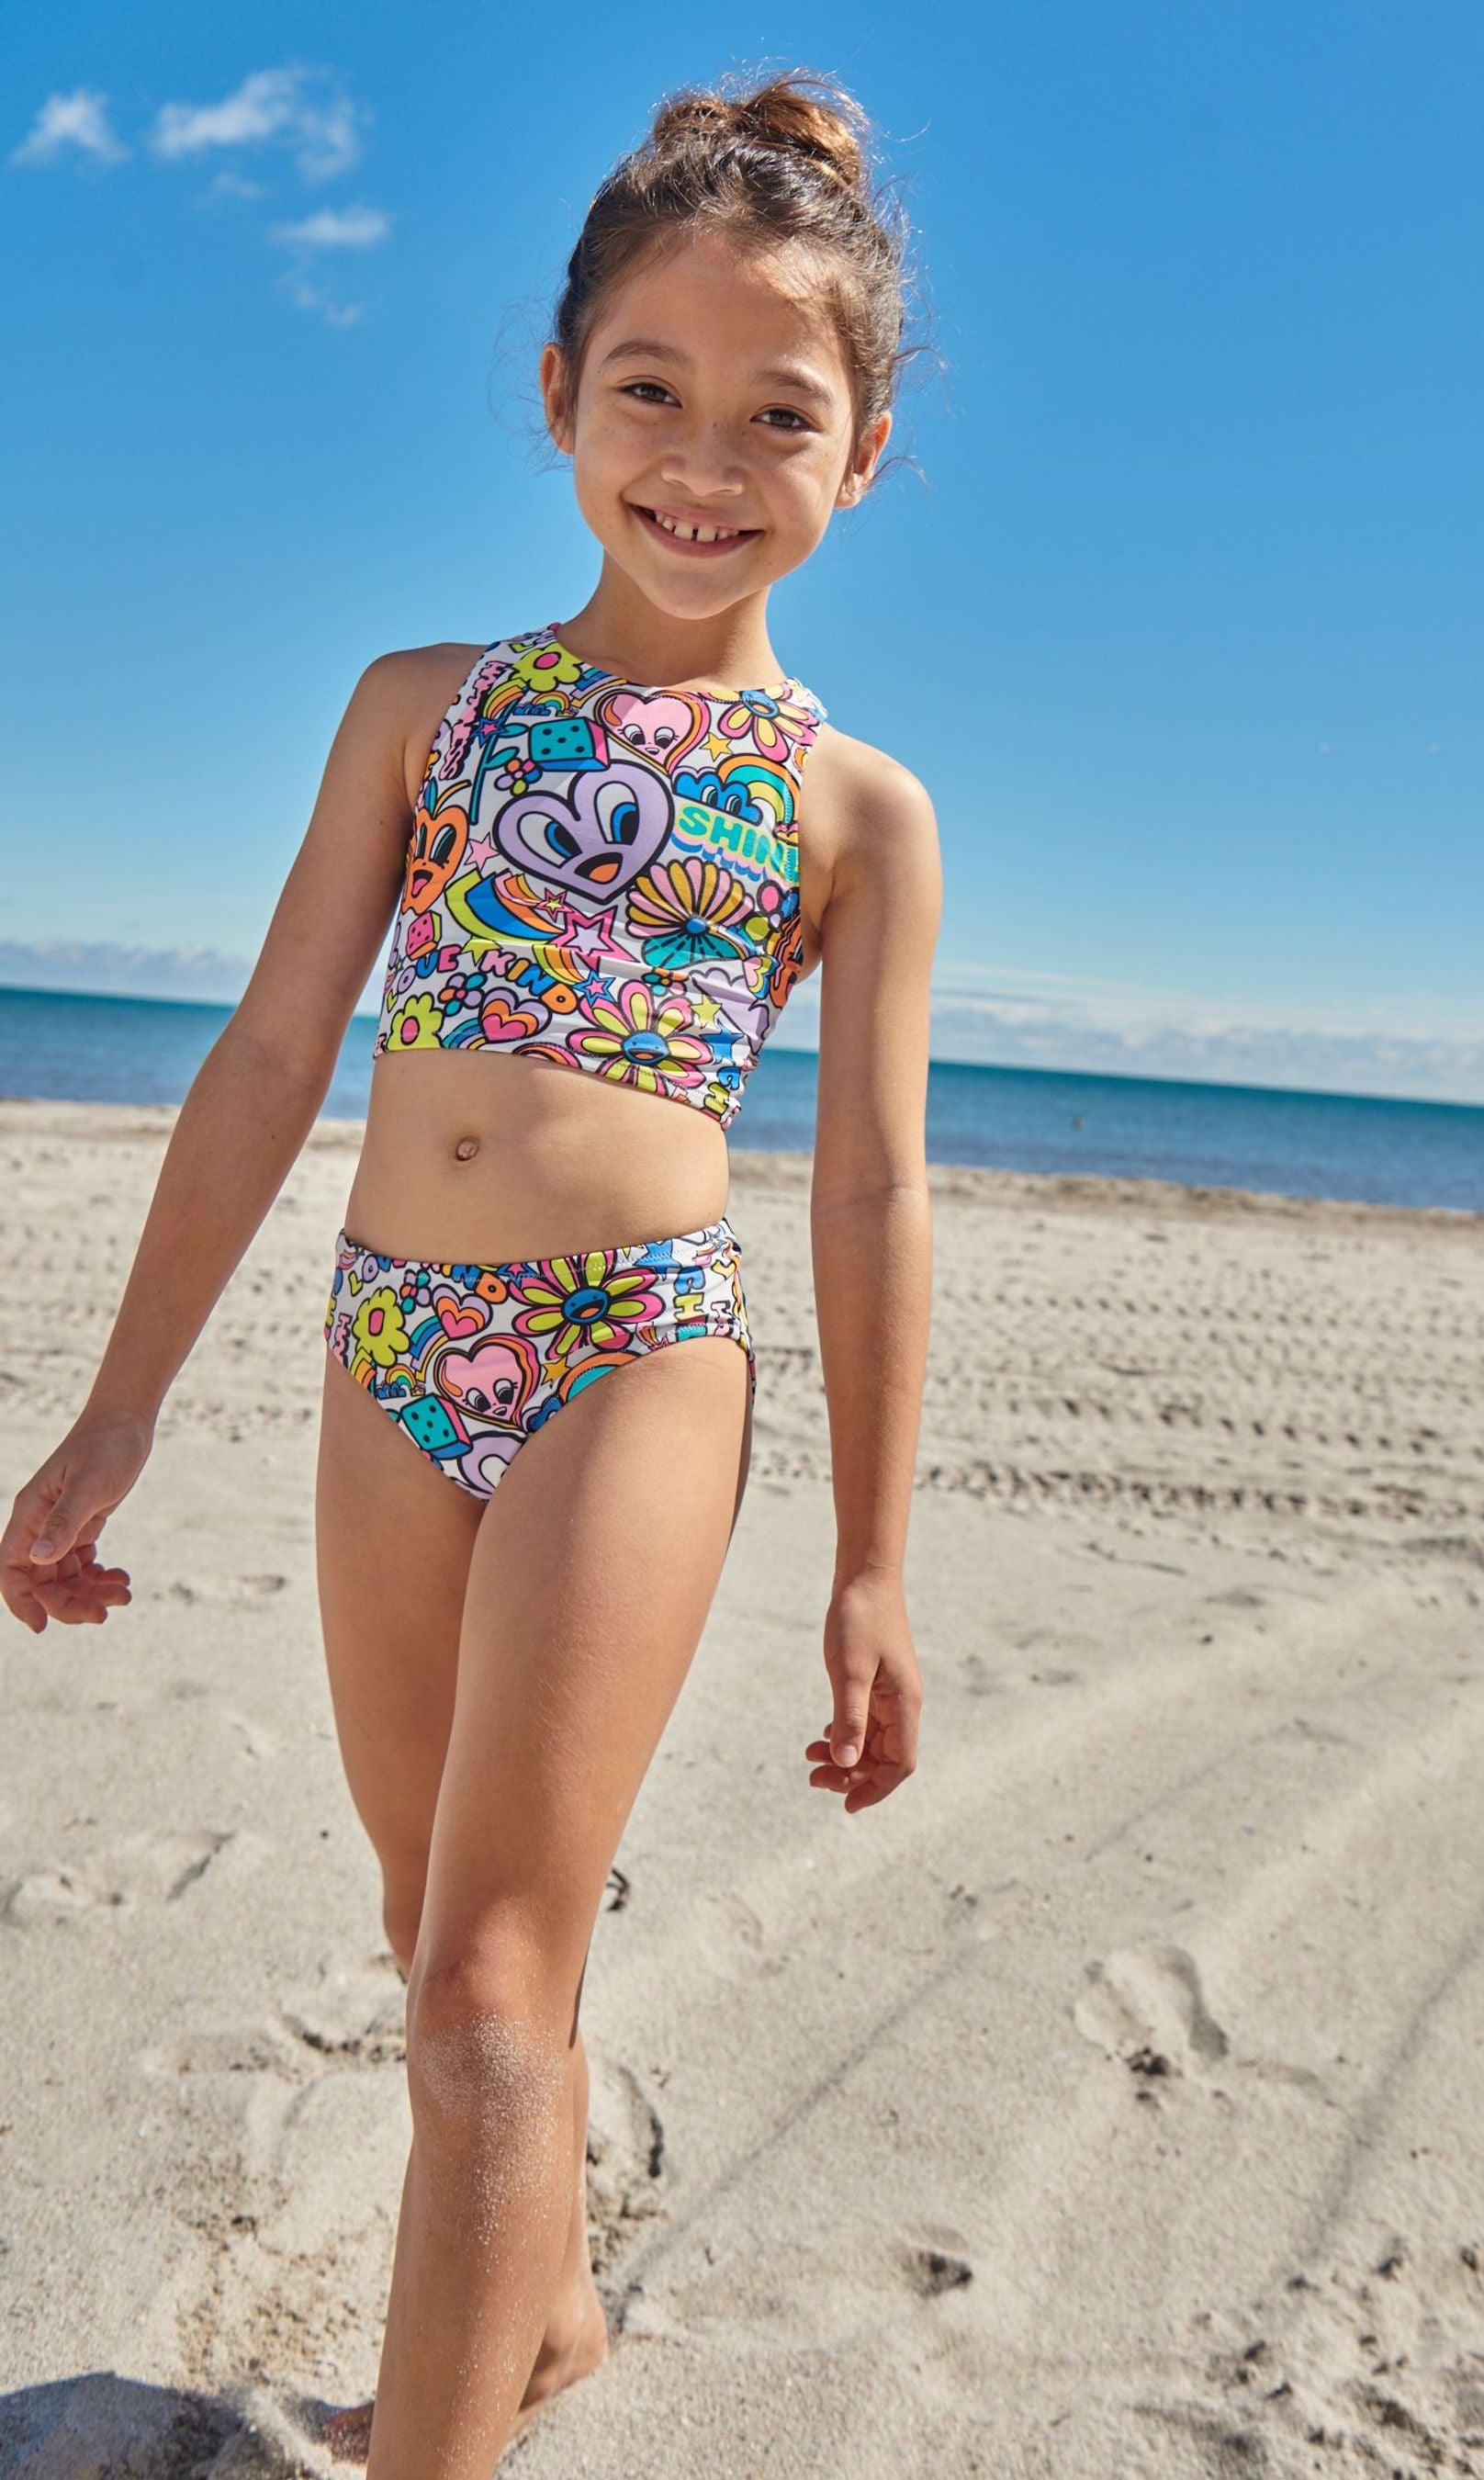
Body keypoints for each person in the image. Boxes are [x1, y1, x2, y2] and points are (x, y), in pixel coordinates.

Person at [0, 65, 943, 2479]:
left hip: (639, 1358)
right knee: (456, 1941)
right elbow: (272, 1049)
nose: (705, 457)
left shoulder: (855, 808)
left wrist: (870, 1557)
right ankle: (541, 2320)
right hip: (384, 1349)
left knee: (490, 2007)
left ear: (866, 455)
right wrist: (120, 1407)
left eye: (780, 414)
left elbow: (866, 1191)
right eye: (652, 388)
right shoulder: (424, 711)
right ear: (554, 393)